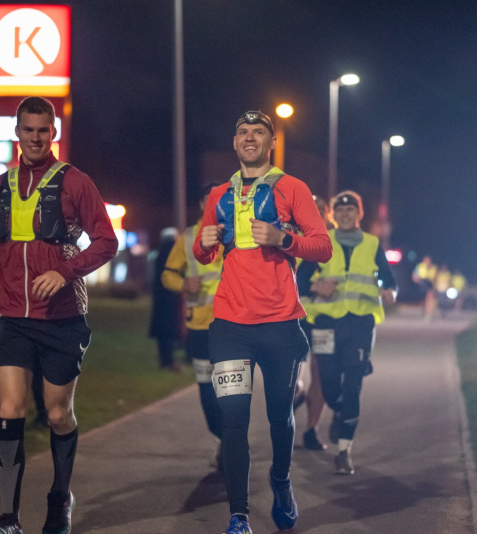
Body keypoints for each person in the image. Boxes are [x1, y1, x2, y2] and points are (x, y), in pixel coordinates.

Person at [0, 96, 118, 534]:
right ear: (17, 134)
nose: (34, 137)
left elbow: (106, 242)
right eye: (27, 130)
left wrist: (65, 272)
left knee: (56, 415)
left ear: (53, 133)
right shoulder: (0, 184)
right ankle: (8, 519)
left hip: (62, 317)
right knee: (9, 409)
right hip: (10, 313)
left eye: (42, 130)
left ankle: (60, 497)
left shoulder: (76, 182)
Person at [195, 110, 332, 534]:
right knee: (233, 421)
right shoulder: (220, 193)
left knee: (278, 417)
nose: (250, 138)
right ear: (234, 143)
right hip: (230, 327)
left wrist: (284, 239)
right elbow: (204, 254)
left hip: (279, 325)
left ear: (270, 143)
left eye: (258, 132)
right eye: (242, 132)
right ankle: (239, 516)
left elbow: (323, 247)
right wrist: (204, 244)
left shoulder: (293, 188)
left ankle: (281, 481)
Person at [298, 190, 397, 475]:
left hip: (360, 325)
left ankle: (344, 451)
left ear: (359, 214)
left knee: (353, 382)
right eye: (339, 212)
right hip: (326, 324)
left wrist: (390, 290)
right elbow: (299, 280)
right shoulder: (321, 243)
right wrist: (317, 287)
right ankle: (339, 411)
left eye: (350, 210)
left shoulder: (371, 244)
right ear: (332, 215)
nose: (344, 215)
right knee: (328, 384)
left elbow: (388, 277)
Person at [161, 183, 223, 467]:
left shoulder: (239, 234)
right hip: (200, 327)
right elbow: (167, 275)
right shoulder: (188, 238)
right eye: (209, 200)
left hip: (234, 328)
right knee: (208, 393)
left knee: (233, 391)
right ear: (201, 204)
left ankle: (231, 445)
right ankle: (223, 439)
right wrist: (184, 283)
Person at [294, 195, 331, 451]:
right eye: (310, 208)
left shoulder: (333, 243)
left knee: (322, 374)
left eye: (320, 209)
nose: (315, 212)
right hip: (294, 317)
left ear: (327, 214)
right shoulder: (289, 238)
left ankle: (311, 430)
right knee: (293, 371)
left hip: (325, 319)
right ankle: (297, 395)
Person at [149, 227, 185, 371]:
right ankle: (168, 362)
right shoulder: (172, 253)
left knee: (164, 331)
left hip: (160, 299)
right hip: (172, 298)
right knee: (169, 329)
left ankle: (166, 360)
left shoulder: (159, 254)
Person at [412, 255, 437, 320]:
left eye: (429, 260)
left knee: (430, 298)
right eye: (426, 260)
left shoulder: (433, 267)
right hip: (422, 283)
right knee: (424, 300)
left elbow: (436, 278)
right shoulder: (419, 266)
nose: (427, 262)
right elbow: (414, 275)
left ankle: (429, 314)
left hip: (430, 284)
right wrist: (417, 280)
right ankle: (425, 311)